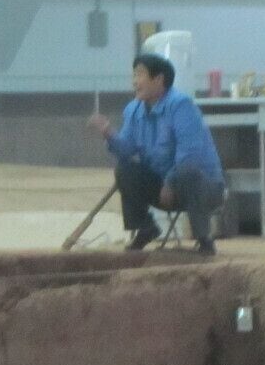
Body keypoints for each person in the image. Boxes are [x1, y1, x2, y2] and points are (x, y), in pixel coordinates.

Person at [87, 53, 225, 255]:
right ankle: (145, 228)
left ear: (158, 79)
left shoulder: (181, 105)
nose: (135, 82)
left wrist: (170, 181)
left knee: (188, 172)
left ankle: (204, 239)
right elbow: (126, 150)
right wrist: (109, 133)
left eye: (140, 75)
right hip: (163, 190)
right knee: (125, 169)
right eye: (134, 76)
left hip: (202, 188)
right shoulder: (133, 110)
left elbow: (190, 154)